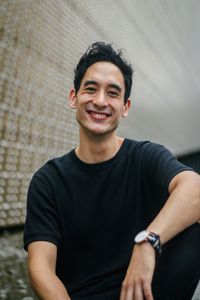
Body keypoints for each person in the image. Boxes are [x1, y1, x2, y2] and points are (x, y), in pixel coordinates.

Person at [23, 42, 200, 300]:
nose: (100, 101)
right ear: (74, 97)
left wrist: (147, 242)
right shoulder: (48, 181)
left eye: (113, 93)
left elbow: (195, 188)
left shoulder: (145, 157)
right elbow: (41, 269)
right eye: (91, 89)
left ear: (125, 107)